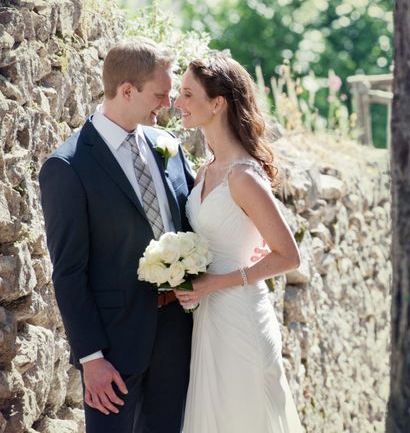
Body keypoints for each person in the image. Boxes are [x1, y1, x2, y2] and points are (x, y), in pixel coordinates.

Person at [39, 38, 195, 433]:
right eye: (160, 95)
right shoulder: (68, 165)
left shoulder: (168, 146)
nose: (168, 104)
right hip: (114, 346)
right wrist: (91, 358)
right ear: (127, 90)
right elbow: (69, 271)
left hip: (177, 334)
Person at [173, 51, 304, 432]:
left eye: (186, 94)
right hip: (208, 318)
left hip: (240, 315)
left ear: (217, 103)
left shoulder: (244, 176)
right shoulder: (205, 170)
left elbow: (288, 256)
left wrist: (216, 283)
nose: (177, 103)